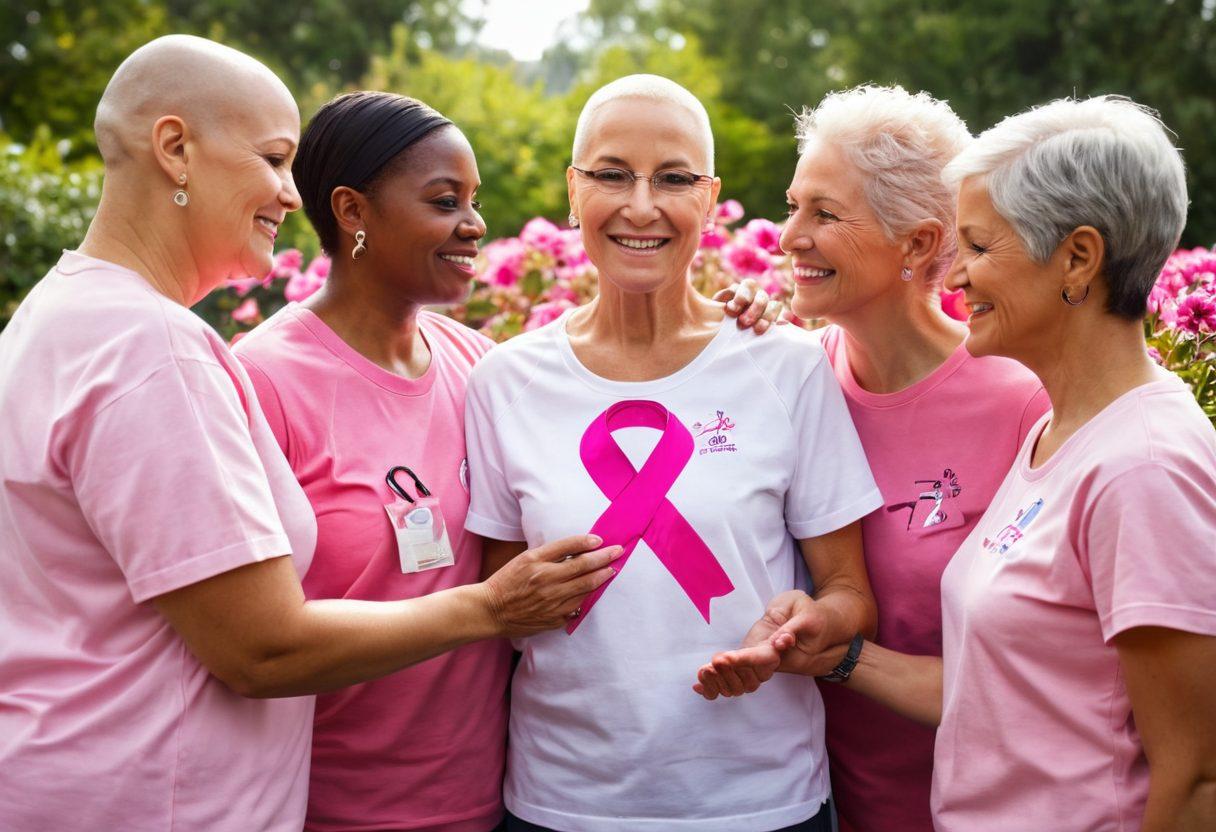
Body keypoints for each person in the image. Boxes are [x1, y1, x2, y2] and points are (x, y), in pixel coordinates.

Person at [0, 36, 620, 832]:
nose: (294, 196)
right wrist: (493, 608)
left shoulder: (59, 316)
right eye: (272, 159)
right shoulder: (151, 348)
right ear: (175, 149)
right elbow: (261, 647)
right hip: (152, 800)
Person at [232, 90, 780, 831]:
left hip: (491, 793)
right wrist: (488, 610)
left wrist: (739, 314)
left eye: (474, 200)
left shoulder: (479, 367)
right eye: (445, 201)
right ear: (352, 211)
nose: (475, 224)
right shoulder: (262, 381)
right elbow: (255, 645)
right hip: (334, 800)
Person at [698, 95, 1216, 832]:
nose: (956, 275)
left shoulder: (1141, 463)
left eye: (977, 247)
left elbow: (1195, 780)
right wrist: (836, 656)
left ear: (1078, 258)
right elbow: (1013, 685)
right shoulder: (1064, 434)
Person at [464, 74, 882, 832]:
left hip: (762, 801)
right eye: (612, 174)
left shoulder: (786, 367)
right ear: (572, 191)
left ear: (710, 200)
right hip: (564, 801)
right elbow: (502, 605)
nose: (641, 205)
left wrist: (807, 626)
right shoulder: (505, 382)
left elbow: (850, 593)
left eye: (674, 179)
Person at [717, 84, 1047, 832]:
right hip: (826, 806)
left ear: (920, 244)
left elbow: (1051, 667)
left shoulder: (1023, 404)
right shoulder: (788, 380)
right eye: (792, 206)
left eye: (824, 214)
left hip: (994, 808)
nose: (788, 237)